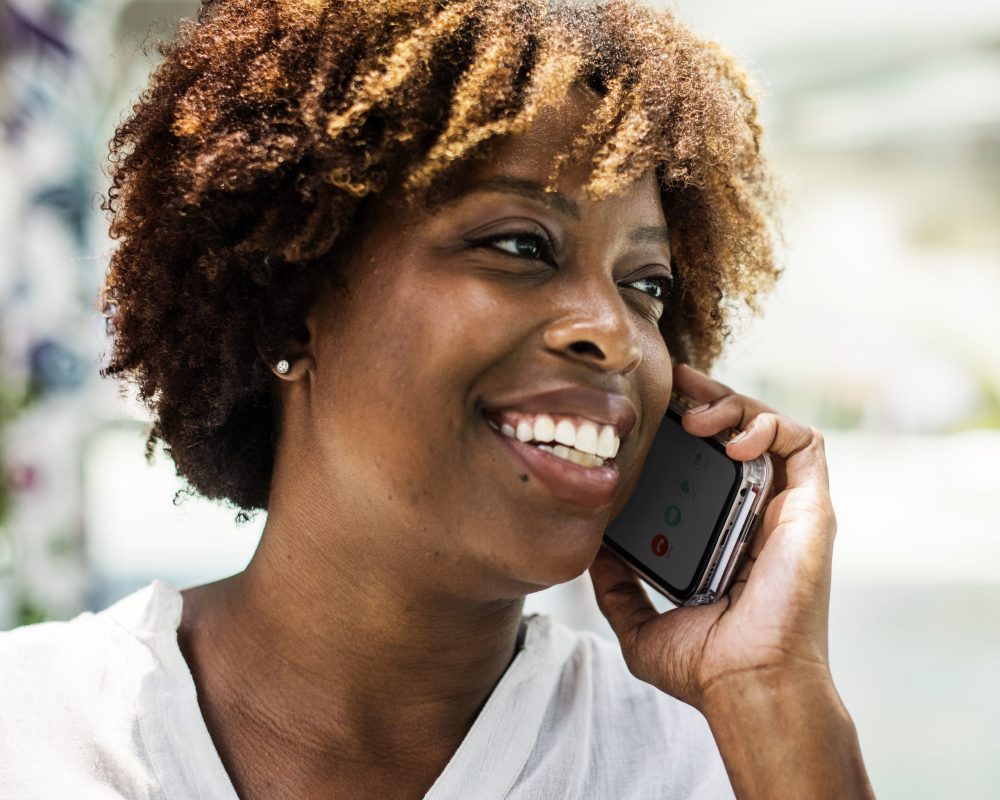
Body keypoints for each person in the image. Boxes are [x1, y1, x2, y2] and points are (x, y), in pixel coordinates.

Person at [0, 0, 874, 797]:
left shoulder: (715, 766)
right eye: (522, 245)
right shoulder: (33, 730)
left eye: (646, 285)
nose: (612, 330)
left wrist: (773, 696)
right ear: (292, 306)